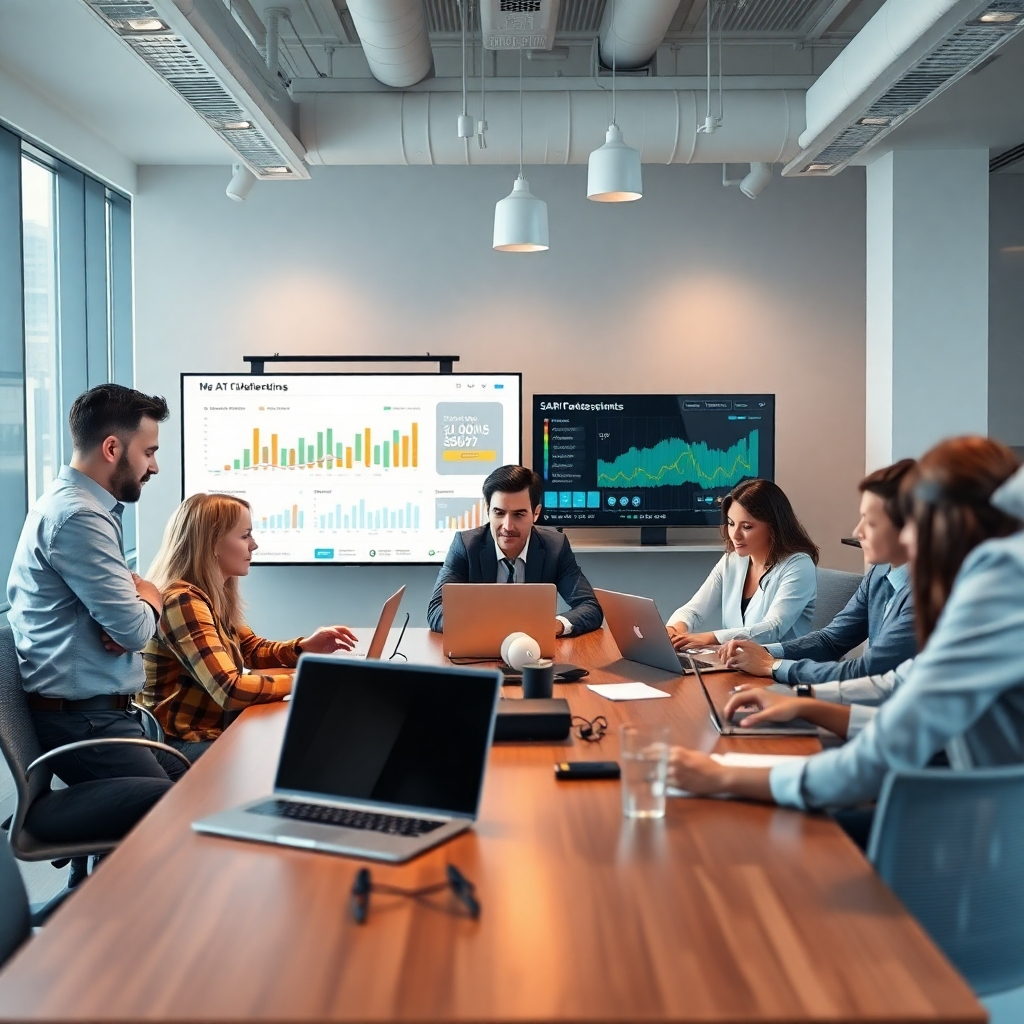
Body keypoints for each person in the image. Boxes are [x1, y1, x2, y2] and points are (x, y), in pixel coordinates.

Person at [670, 436, 1024, 818]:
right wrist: (803, 700)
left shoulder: (998, 583)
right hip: (961, 791)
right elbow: (898, 688)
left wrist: (725, 778)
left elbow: (887, 747)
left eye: (912, 523)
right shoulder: (970, 581)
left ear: (953, 524)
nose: (905, 538)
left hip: (975, 818)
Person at [6, 384, 186, 784]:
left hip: (103, 719)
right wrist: (151, 598)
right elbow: (135, 629)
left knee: (201, 784)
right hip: (86, 727)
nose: (153, 467)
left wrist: (131, 611)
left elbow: (123, 620)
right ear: (111, 448)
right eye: (149, 452)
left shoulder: (80, 508)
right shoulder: (79, 518)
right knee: (176, 816)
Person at [139, 493, 358, 761]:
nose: (254, 545)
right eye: (245, 536)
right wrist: (307, 678)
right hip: (180, 745)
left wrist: (303, 647)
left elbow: (251, 650)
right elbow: (230, 689)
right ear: (212, 545)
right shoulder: (183, 601)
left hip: (209, 732)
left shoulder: (212, 593)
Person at [718, 460, 917, 683]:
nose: (857, 531)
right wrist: (762, 653)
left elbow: (868, 671)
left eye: (870, 522)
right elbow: (831, 640)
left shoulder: (926, 598)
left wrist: (772, 666)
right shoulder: (880, 572)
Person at [427, 465, 602, 636]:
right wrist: (494, 627)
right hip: (479, 652)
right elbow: (436, 611)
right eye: (499, 513)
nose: (507, 526)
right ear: (487, 510)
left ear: (536, 513)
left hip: (533, 654)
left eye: (519, 514)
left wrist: (554, 626)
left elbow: (590, 607)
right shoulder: (465, 546)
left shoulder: (555, 547)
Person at [666, 479, 818, 648]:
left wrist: (708, 638)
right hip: (734, 665)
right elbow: (693, 611)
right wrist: (676, 629)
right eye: (731, 524)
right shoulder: (732, 561)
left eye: (746, 527)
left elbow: (772, 629)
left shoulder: (799, 565)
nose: (735, 535)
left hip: (779, 668)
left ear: (773, 526)